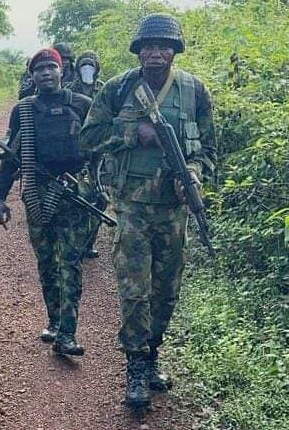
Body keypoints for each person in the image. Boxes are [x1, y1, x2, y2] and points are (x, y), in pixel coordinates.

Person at [80, 13, 216, 409]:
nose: (156, 53)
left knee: (166, 292)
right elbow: (88, 137)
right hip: (133, 207)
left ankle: (152, 353)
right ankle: (136, 367)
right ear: (139, 51)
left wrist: (194, 174)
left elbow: (210, 150)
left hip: (174, 211)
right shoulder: (119, 88)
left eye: (164, 46)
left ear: (175, 51)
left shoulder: (194, 91)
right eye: (149, 47)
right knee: (134, 291)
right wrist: (131, 133)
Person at [0, 48, 93, 356]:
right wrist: (0, 197)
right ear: (32, 76)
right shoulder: (23, 110)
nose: (46, 73)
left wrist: (99, 188)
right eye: (39, 69)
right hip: (38, 194)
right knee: (47, 261)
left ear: (62, 71)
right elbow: (11, 157)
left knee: (70, 262)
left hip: (73, 194)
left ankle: (67, 333)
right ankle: (54, 320)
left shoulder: (82, 104)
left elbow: (99, 151)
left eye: (51, 67)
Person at [69, 50, 106, 259]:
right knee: (77, 197)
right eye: (83, 65)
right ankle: (75, 241)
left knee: (101, 199)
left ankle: (89, 241)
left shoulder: (105, 89)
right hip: (76, 153)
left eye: (90, 65)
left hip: (100, 154)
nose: (87, 69)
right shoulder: (69, 91)